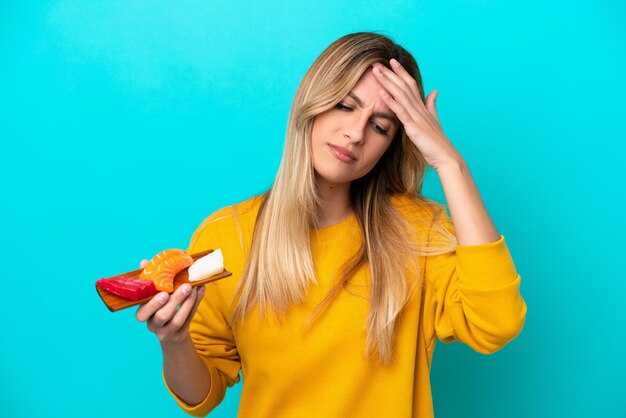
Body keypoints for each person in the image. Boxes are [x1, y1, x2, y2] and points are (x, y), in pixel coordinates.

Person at [136, 31, 527, 417]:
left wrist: (449, 163)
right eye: (344, 105)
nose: (355, 133)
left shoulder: (418, 232)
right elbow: (201, 396)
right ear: (313, 102)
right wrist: (174, 340)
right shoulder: (227, 235)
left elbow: (497, 322)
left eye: (381, 127)